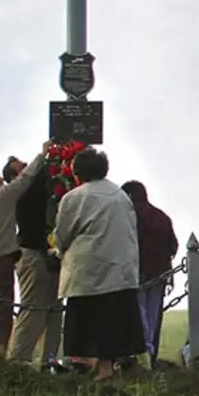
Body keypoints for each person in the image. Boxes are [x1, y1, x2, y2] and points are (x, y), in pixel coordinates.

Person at [52, 147, 147, 381]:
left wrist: (57, 251)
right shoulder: (120, 196)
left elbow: (62, 235)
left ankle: (100, 368)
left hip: (88, 270)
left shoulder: (74, 198)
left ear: (77, 173)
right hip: (120, 269)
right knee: (112, 321)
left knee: (91, 321)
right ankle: (107, 365)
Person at [0, 142, 51, 361]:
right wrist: (42, 155)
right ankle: (0, 354)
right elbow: (24, 179)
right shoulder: (1, 198)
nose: (1, 180)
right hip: (0, 260)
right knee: (3, 308)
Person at [2, 156, 63, 366]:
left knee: (54, 310)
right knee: (32, 309)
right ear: (14, 177)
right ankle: (18, 360)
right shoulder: (22, 193)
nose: (27, 166)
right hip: (32, 253)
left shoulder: (33, 191)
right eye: (21, 166)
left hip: (45, 253)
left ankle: (49, 360)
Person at [120, 180, 178, 366]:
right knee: (153, 315)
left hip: (135, 271)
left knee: (139, 314)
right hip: (159, 273)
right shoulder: (162, 217)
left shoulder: (128, 218)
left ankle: (141, 353)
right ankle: (151, 354)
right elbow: (173, 246)